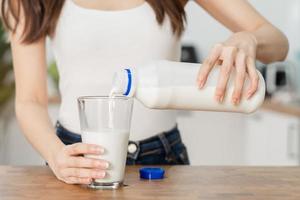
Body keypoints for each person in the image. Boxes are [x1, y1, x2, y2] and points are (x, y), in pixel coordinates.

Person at [1, 0, 288, 185]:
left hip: (162, 156)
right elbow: (30, 100)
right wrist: (56, 155)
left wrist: (249, 37)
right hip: (73, 157)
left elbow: (277, 42)